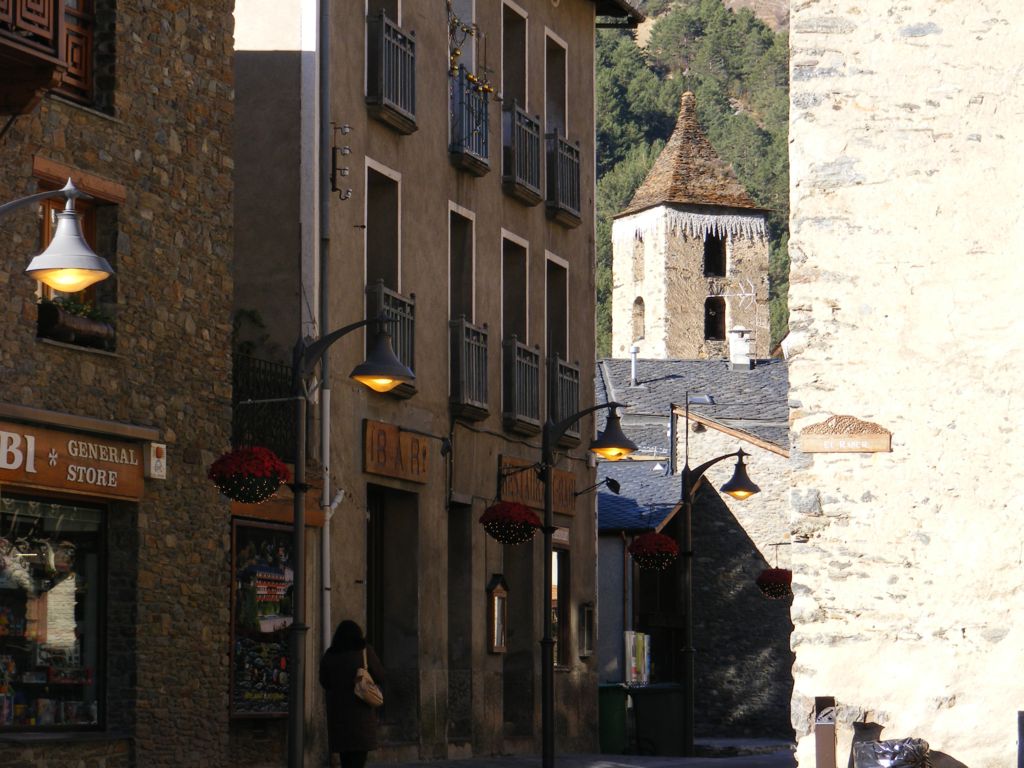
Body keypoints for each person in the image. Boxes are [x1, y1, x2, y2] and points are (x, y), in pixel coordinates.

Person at [319, 620, 385, 768]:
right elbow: (380, 675)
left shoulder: (330, 655)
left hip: (339, 717)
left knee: (346, 761)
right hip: (362, 718)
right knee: (358, 761)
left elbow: (324, 682)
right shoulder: (364, 652)